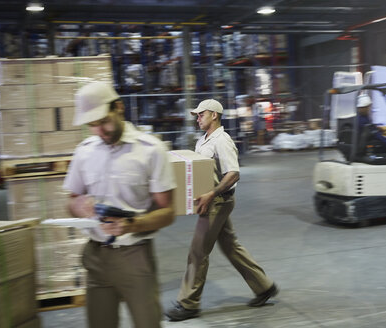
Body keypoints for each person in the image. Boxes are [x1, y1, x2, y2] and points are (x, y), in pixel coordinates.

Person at [63, 81, 176, 328]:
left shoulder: (152, 151)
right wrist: (78, 205)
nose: (99, 131)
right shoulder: (84, 152)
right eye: (92, 125)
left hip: (135, 256)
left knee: (147, 323)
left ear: (119, 107)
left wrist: (132, 224)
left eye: (104, 121)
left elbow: (168, 212)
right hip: (95, 256)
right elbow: (70, 201)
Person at [165, 99, 278, 322]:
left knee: (198, 252)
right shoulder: (203, 140)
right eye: (196, 115)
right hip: (212, 202)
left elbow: (233, 173)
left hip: (218, 203)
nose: (197, 118)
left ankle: (189, 304)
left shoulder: (222, 141)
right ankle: (264, 287)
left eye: (201, 114)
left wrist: (211, 194)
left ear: (214, 115)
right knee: (231, 247)